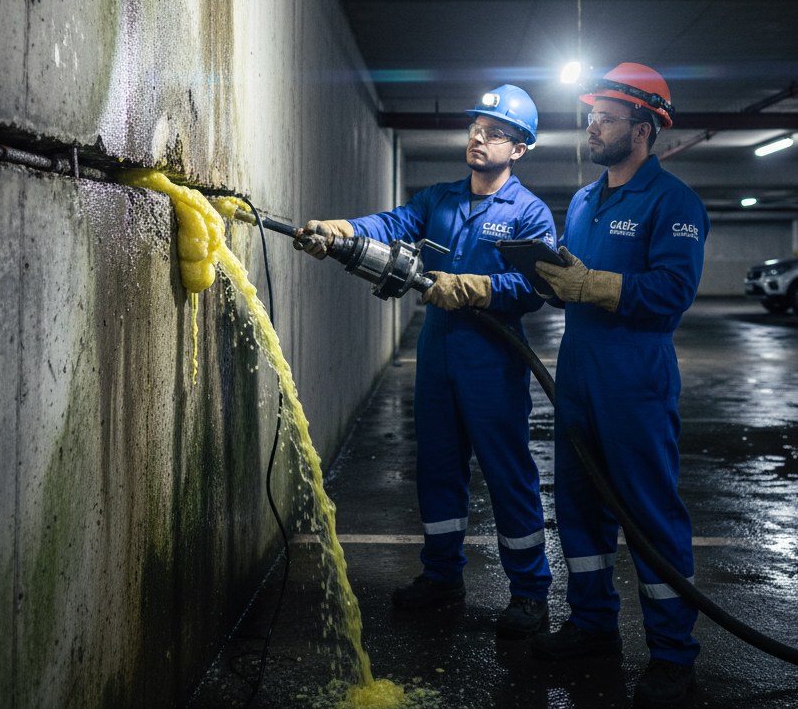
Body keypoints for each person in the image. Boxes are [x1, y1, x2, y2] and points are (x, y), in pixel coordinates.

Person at [294, 85, 555, 639]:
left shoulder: (529, 213)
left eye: (496, 132)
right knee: (438, 471)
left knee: (508, 475)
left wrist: (478, 286)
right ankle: (442, 577)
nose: (480, 137)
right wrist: (343, 229)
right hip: (437, 358)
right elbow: (392, 225)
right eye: (477, 127)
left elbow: (537, 286)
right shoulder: (440, 199)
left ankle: (530, 592)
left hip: (493, 362)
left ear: (521, 148)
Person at [531, 63, 708, 707]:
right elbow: (567, 284)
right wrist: (544, 278)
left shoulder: (673, 202)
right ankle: (592, 623)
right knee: (578, 507)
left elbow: (672, 293)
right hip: (578, 371)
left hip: (635, 378)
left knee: (649, 514)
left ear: (644, 127)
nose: (592, 125)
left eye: (605, 117)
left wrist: (597, 286)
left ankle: (671, 654)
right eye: (591, 114)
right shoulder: (583, 200)